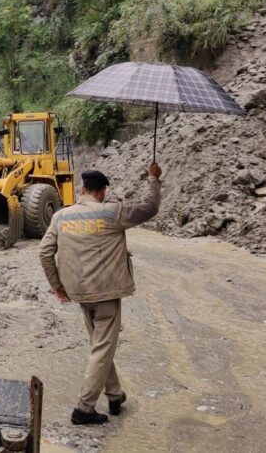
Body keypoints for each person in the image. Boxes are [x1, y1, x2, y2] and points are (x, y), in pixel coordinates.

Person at [39, 162, 162, 424]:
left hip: (79, 293)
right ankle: (84, 408)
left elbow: (45, 252)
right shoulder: (112, 213)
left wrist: (57, 286)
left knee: (100, 346)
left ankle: (115, 395)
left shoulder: (61, 216)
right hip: (106, 293)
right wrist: (152, 179)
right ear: (102, 191)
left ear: (82, 189)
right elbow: (150, 208)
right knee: (102, 348)